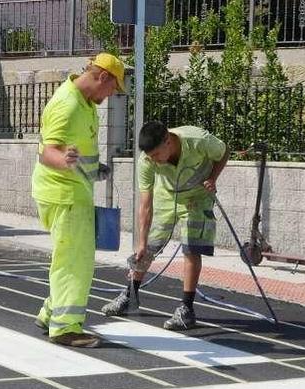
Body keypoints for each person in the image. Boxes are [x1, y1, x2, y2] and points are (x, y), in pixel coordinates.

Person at [32, 53, 124, 348]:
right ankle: (66, 328)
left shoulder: (85, 102)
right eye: (114, 88)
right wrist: (64, 161)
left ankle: (51, 314)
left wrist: (93, 169)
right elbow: (47, 152)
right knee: (75, 262)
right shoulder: (68, 105)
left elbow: (75, 148)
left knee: (70, 257)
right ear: (103, 77)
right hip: (64, 195)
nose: (112, 95)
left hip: (72, 192)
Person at [101, 121, 229, 330]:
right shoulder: (147, 161)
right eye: (150, 157)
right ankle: (129, 295)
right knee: (148, 249)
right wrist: (141, 243)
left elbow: (223, 152)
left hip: (197, 198)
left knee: (191, 248)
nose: (154, 161)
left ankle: (186, 309)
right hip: (167, 197)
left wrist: (213, 178)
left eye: (156, 155)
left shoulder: (198, 140)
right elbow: (145, 205)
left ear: (168, 142)